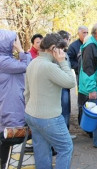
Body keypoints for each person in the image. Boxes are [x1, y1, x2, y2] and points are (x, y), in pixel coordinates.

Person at [24, 33, 76, 169]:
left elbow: (27, 92)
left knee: (41, 151)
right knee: (66, 147)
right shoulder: (49, 66)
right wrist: (63, 61)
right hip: (49, 118)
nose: (63, 53)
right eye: (62, 50)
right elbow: (70, 82)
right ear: (53, 48)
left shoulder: (33, 62)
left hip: (32, 115)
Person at [0, 29, 31, 169]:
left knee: (7, 136)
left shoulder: (6, 59)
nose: (15, 43)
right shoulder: (4, 61)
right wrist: (21, 50)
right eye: (14, 40)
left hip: (10, 102)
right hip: (9, 105)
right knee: (9, 137)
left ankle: (5, 163)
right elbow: (28, 66)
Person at [67, 26, 89, 126]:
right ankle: (81, 122)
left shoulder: (90, 44)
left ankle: (89, 122)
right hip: (79, 75)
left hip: (90, 76)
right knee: (82, 98)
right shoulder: (73, 46)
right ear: (79, 33)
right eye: (84, 32)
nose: (86, 34)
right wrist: (78, 67)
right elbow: (69, 60)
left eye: (87, 32)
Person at [57, 30, 77, 139]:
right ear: (64, 40)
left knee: (65, 110)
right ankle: (64, 135)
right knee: (64, 111)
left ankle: (65, 133)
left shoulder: (62, 52)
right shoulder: (60, 54)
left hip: (65, 85)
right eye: (68, 39)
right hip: (63, 86)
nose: (69, 42)